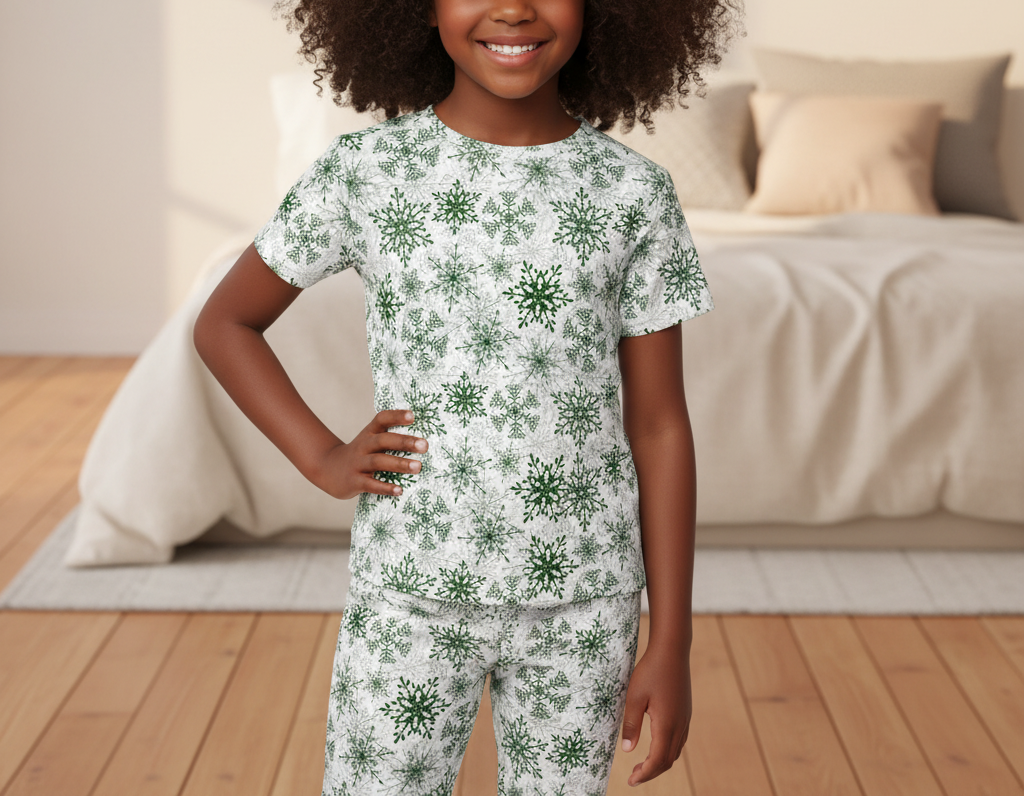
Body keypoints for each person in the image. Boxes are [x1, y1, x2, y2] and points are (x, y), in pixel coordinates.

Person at [193, 0, 739, 793]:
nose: (512, 6)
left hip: (585, 609)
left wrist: (673, 638)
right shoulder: (368, 173)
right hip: (408, 594)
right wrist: (319, 455)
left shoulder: (633, 194)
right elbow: (226, 323)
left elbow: (659, 425)